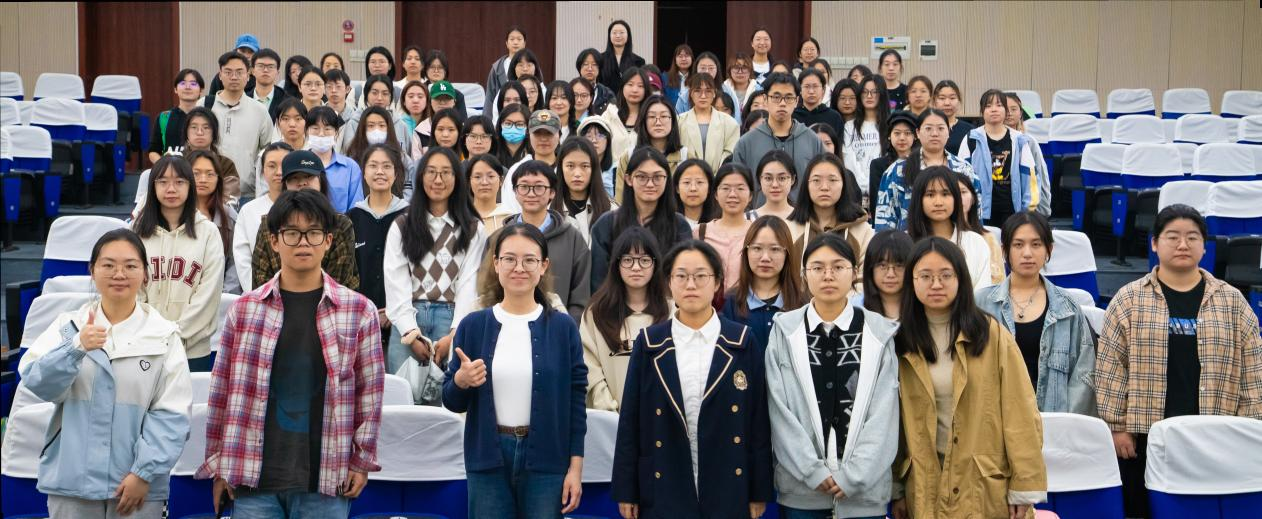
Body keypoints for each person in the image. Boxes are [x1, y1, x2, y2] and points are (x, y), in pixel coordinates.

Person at [198, 189, 385, 519]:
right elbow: (221, 392)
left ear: (328, 241)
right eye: (292, 233)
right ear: (274, 241)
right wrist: (218, 464)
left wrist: (361, 460)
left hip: (326, 479)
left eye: (313, 233)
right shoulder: (244, 310)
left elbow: (368, 394)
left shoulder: (359, 311)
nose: (303, 242)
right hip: (252, 479)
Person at [1095, 204, 1262, 519]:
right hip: (1145, 437)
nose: (1183, 244)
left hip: (1216, 435)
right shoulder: (1128, 299)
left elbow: (1253, 373)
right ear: (1154, 243)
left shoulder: (1232, 302)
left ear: (1204, 246)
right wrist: (1117, 427)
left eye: (1192, 237)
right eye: (1172, 237)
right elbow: (1110, 368)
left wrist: (1247, 431)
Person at [18, 229, 190, 519]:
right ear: (92, 271)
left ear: (145, 274)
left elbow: (172, 414)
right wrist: (75, 348)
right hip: (72, 482)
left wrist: (143, 473)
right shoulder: (68, 327)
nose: (119, 274)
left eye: (130, 266)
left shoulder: (164, 335)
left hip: (136, 488)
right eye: (108, 265)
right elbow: (37, 383)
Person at [612, 239, 773, 519]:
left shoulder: (742, 341)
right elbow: (630, 420)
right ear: (668, 283)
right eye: (681, 276)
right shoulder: (650, 343)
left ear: (717, 282)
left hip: (728, 482)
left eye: (700, 276)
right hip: (665, 480)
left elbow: (758, 421)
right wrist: (627, 490)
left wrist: (759, 489)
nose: (691, 285)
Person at [889, 236, 1047, 519]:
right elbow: (893, 423)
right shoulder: (900, 342)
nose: (936, 284)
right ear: (911, 281)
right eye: (925, 276)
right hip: (924, 482)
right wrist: (896, 488)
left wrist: (1024, 486)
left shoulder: (990, 335)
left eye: (945, 275)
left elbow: (1021, 412)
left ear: (961, 279)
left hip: (982, 483)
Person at [443, 223, 587, 517]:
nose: (519, 268)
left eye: (529, 260)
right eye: (509, 259)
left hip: (547, 459)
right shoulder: (473, 325)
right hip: (488, 459)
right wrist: (460, 380)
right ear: (496, 264)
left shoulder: (563, 328)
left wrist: (575, 468)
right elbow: (451, 400)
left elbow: (576, 404)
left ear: (543, 266)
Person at [765, 233, 900, 519]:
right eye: (817, 267)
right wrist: (811, 470)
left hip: (864, 497)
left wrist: (855, 476)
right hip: (802, 494)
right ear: (804, 274)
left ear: (854, 272)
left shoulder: (878, 333)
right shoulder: (785, 331)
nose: (828, 275)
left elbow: (884, 414)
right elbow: (779, 410)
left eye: (838, 267)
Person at [976, 211, 1096, 414]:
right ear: (1005, 250)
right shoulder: (980, 304)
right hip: (995, 420)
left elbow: (1083, 376)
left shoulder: (1068, 307)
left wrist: (1064, 424)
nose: (1027, 253)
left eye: (1036, 244)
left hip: (1052, 420)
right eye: (1018, 245)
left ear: (1049, 249)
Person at [384, 147, 487, 374]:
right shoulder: (402, 225)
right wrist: (411, 333)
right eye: (431, 172)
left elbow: (469, 283)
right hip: (408, 318)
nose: (438, 180)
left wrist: (454, 334)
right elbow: (395, 282)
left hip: (450, 318)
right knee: (403, 394)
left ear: (457, 178)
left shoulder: (473, 229)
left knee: (447, 393)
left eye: (446, 172)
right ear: (420, 177)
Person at [132, 155, 225, 372]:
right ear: (152, 187)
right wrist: (150, 332)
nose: (171, 189)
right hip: (144, 345)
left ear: (190, 186)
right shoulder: (136, 232)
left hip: (192, 349)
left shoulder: (208, 232)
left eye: (179, 182)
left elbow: (209, 293)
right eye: (163, 182)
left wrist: (177, 333)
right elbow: (132, 289)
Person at [581, 228, 671, 411]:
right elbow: (590, 369)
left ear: (655, 264)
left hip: (662, 418)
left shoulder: (673, 312)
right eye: (628, 260)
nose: (636, 267)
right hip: (611, 419)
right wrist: (610, 411)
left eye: (644, 260)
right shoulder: (596, 313)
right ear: (617, 264)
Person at [495, 159, 592, 322]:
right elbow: (488, 289)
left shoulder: (572, 238)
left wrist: (567, 328)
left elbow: (581, 296)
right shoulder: (498, 238)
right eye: (524, 187)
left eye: (539, 187)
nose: (531, 194)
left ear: (552, 192)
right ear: (515, 192)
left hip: (558, 328)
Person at [251, 150, 360, 291]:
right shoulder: (269, 224)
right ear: (285, 185)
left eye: (308, 176)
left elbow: (341, 281)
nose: (302, 183)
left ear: (321, 180)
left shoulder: (340, 224)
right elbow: (261, 280)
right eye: (294, 178)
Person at [590, 147, 693, 291]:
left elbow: (683, 274)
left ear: (667, 179)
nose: (650, 184)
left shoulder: (679, 225)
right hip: (616, 302)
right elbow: (598, 280)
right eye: (642, 177)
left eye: (657, 177)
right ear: (628, 179)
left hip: (666, 302)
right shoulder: (606, 224)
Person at [874, 109, 978, 231]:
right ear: (917, 133)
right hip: (910, 240)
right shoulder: (897, 170)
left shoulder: (964, 169)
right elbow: (884, 218)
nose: (934, 134)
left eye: (940, 128)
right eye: (928, 129)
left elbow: (976, 215)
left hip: (956, 238)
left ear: (948, 132)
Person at [787, 153, 874, 293]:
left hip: (849, 304)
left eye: (832, 180)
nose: (824, 187)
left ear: (844, 184)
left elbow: (865, 280)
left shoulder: (862, 230)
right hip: (799, 305)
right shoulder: (789, 228)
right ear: (806, 185)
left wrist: (838, 302)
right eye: (816, 180)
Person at [959, 89, 1046, 226]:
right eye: (988, 106)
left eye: (999, 105)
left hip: (1012, 212)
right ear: (982, 111)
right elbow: (961, 175)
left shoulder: (1019, 140)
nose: (994, 109)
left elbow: (1030, 178)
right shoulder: (971, 138)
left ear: (1006, 110)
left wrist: (1026, 212)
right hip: (978, 212)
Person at [720, 215, 808, 349]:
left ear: (787, 253)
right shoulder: (729, 303)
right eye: (757, 248)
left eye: (775, 249)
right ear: (746, 251)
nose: (765, 258)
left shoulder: (802, 304)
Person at [731, 73, 825, 198]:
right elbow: (738, 186)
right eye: (776, 97)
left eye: (789, 97)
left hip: (801, 211)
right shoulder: (746, 143)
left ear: (797, 101)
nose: (782, 103)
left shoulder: (812, 140)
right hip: (759, 210)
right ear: (765, 99)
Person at [347, 144, 408, 325]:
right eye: (373, 166)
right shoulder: (350, 219)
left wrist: (395, 309)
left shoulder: (410, 217)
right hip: (359, 317)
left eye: (387, 166)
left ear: (396, 174)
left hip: (402, 317)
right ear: (364, 173)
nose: (380, 172)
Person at [904, 167, 993, 289]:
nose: (938, 202)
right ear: (919, 200)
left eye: (945, 194)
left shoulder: (976, 243)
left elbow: (982, 293)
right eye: (930, 194)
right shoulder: (905, 242)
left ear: (956, 198)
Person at [208, 51, 272, 201]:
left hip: (247, 194)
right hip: (210, 192)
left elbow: (268, 148)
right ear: (220, 75)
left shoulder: (259, 110)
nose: (234, 77)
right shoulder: (205, 105)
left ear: (248, 76)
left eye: (239, 72)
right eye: (228, 72)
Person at [234, 142, 292, 293]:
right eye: (272, 166)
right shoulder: (249, 211)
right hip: (259, 293)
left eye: (285, 165)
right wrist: (256, 292)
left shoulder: (304, 208)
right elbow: (243, 258)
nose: (279, 172)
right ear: (263, 171)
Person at [615, 96, 688, 201]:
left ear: (672, 120)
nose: (658, 122)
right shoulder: (629, 157)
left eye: (664, 116)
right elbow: (620, 200)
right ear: (643, 120)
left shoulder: (685, 157)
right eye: (652, 117)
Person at [187, 149, 240, 293]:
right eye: (196, 173)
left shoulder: (228, 216)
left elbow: (234, 263)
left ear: (218, 179)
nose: (203, 179)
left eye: (210, 174)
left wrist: (225, 296)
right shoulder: (174, 213)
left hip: (219, 295)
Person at [696, 163, 755, 289]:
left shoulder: (758, 233)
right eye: (725, 188)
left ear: (750, 195)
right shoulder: (700, 232)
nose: (732, 194)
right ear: (716, 194)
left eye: (740, 188)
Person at [499, 109, 563, 213]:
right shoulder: (517, 170)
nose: (543, 139)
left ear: (559, 135)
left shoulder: (566, 168)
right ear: (528, 135)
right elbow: (510, 208)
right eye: (537, 133)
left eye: (549, 133)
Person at [553, 137, 614, 243]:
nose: (577, 174)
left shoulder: (612, 211)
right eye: (570, 166)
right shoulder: (548, 211)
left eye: (585, 166)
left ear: (594, 169)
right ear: (561, 168)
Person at [304, 106, 362, 213]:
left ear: (336, 132)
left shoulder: (350, 167)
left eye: (327, 129)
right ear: (307, 131)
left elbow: (355, 207)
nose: (321, 134)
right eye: (315, 128)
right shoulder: (299, 163)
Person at [842, 76, 890, 201]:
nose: (869, 96)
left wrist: (875, 184)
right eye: (865, 92)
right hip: (855, 191)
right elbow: (849, 160)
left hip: (883, 188)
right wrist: (864, 185)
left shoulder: (890, 126)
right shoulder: (849, 127)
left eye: (874, 92)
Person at [953, 172, 1005, 287]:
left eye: (963, 192)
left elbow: (999, 284)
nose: (959, 197)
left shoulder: (988, 238)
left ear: (973, 198)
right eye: (953, 192)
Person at [679, 72, 740, 171]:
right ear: (691, 93)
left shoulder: (730, 123)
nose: (703, 96)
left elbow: (730, 154)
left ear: (714, 93)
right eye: (697, 91)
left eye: (708, 91)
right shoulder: (679, 121)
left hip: (719, 177)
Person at [346, 107, 407, 194]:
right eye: (371, 126)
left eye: (382, 125)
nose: (376, 130)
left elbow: (409, 189)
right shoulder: (352, 160)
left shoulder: (402, 158)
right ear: (363, 129)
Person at [149, 69, 205, 163]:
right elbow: (153, 151)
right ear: (175, 89)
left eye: (193, 84)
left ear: (201, 90)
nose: (187, 87)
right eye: (183, 83)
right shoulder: (164, 117)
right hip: (170, 169)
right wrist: (164, 166)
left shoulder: (207, 118)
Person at [868, 111, 917, 217]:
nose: (902, 138)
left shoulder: (921, 163)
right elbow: (875, 202)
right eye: (897, 133)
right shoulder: (878, 165)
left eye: (907, 133)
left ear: (915, 136)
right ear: (889, 136)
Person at [601, 67, 651, 163]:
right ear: (622, 87)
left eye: (640, 86)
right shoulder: (609, 114)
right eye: (630, 84)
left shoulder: (651, 116)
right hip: (613, 170)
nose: (635, 90)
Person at [861, 230, 914, 320]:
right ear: (870, 268)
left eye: (899, 265)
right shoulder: (854, 309)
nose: (890, 274)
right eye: (883, 265)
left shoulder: (925, 308)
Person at [466, 153, 513, 235]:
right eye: (477, 177)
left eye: (491, 176)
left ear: (501, 180)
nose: (484, 182)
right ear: (469, 181)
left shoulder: (510, 219)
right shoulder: (460, 217)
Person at [204, 34, 260, 102]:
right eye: (243, 51)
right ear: (235, 51)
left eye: (250, 52)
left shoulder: (260, 77)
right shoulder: (222, 76)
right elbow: (212, 101)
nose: (246, 55)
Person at [599, 20, 645, 93]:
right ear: (609, 36)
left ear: (628, 36)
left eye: (621, 32)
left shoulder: (639, 61)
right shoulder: (600, 59)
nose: (618, 36)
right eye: (614, 33)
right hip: (606, 99)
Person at [749, 150, 797, 220]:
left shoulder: (804, 218)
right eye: (768, 178)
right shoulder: (747, 219)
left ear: (793, 179)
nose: (775, 185)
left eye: (782, 178)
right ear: (760, 179)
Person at [486, 26, 527, 105]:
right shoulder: (497, 67)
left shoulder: (531, 66)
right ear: (507, 43)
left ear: (524, 43)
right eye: (512, 39)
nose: (515, 42)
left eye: (519, 39)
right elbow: (490, 96)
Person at [673, 159, 718, 229]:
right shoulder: (668, 221)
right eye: (686, 182)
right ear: (677, 188)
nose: (693, 188)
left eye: (699, 182)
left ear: (709, 188)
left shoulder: (719, 222)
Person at [933, 80, 973, 157]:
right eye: (942, 98)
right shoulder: (926, 128)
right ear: (934, 101)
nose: (947, 103)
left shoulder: (970, 131)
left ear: (959, 101)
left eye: (952, 98)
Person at [245, 48, 288, 121]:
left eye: (271, 66)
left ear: (277, 72)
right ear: (252, 71)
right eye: (261, 66)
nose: (265, 70)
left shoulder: (287, 101)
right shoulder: (243, 99)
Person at [576, 48, 615, 115]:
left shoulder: (607, 94)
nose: (590, 68)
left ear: (599, 68)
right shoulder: (570, 90)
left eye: (594, 64)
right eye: (585, 64)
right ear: (579, 68)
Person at [496, 103, 531, 168]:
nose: (513, 128)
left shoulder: (534, 153)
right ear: (501, 124)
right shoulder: (492, 150)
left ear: (528, 128)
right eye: (508, 123)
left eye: (519, 124)